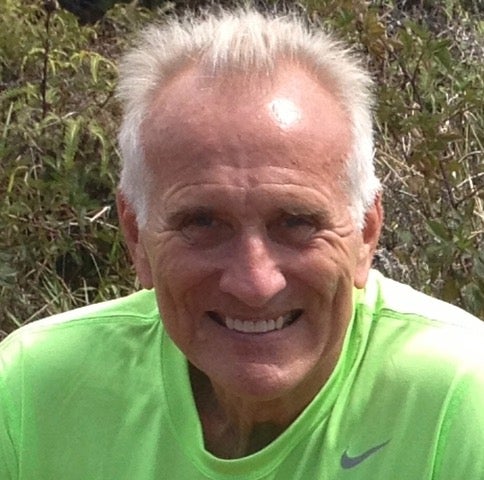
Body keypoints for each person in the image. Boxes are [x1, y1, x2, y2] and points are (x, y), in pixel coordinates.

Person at [1, 7, 483, 480]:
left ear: (366, 234)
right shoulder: (33, 393)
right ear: (136, 236)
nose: (255, 283)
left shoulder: (460, 400)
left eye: (296, 222)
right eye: (203, 223)